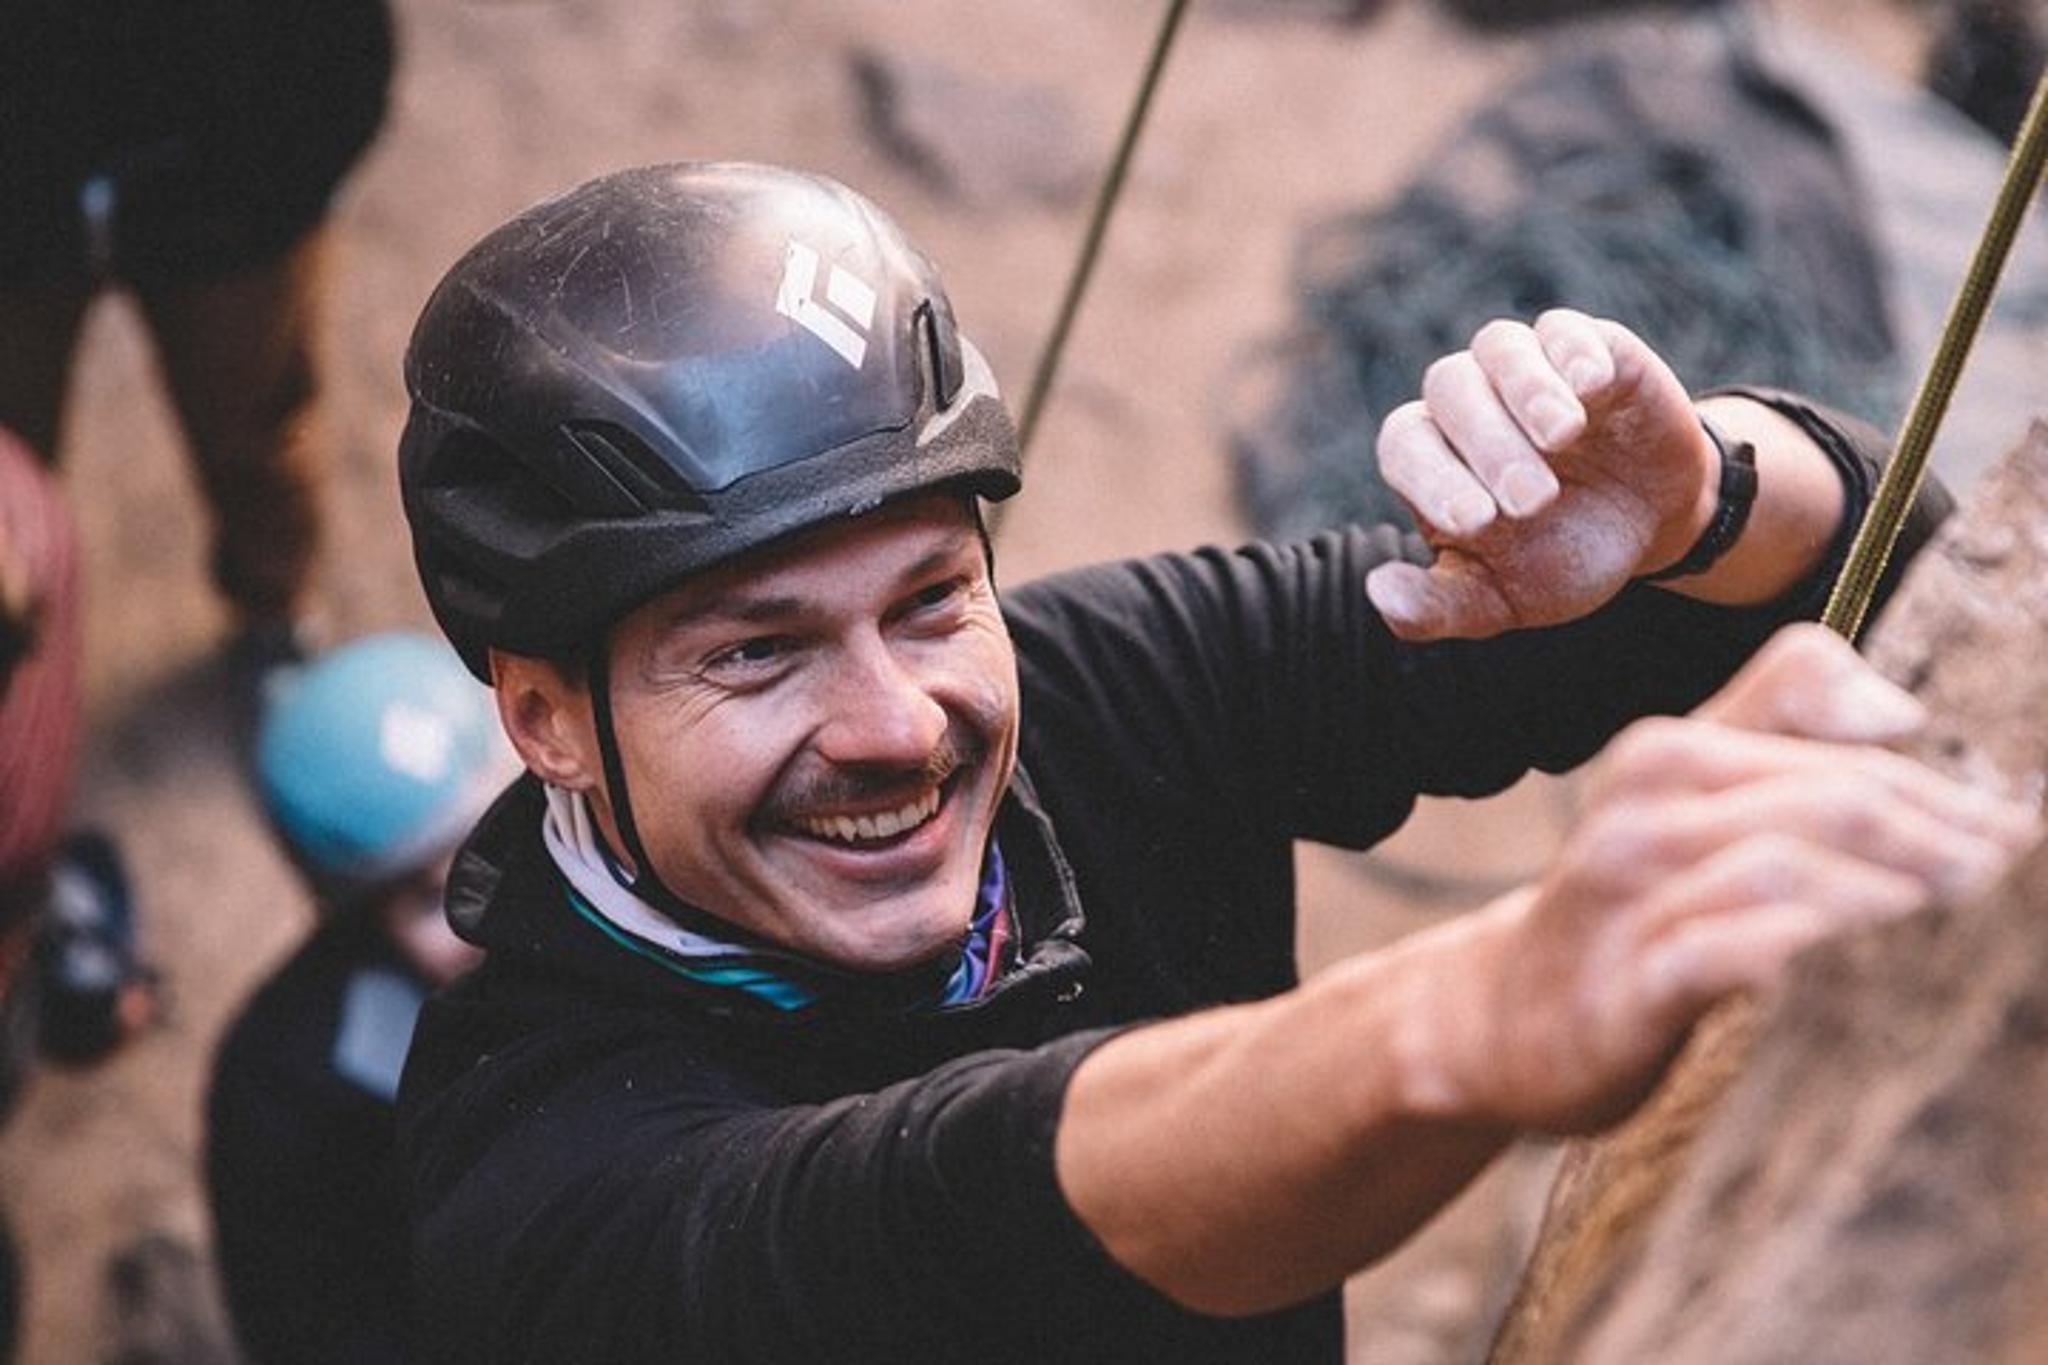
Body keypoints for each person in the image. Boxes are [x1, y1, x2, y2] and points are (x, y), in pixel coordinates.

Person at [391, 163, 2033, 1363]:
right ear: (544, 718)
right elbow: (940, 1211)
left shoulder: (1108, 686)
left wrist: (1696, 506)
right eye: (756, 652)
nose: (896, 726)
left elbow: (1859, 582)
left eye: (932, 599)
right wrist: (1472, 1013)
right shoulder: (536, 1172)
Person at [0, 0, 394, 661]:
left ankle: (273, 616)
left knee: (256, 426)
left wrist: (320, 124)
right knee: (8, 468)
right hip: (18, 170)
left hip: (240, 149)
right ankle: (18, 657)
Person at [206, 632, 508, 1364]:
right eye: (434, 896)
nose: (496, 912)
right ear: (353, 916)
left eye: (506, 843)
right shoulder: (284, 1087)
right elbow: (305, 1322)